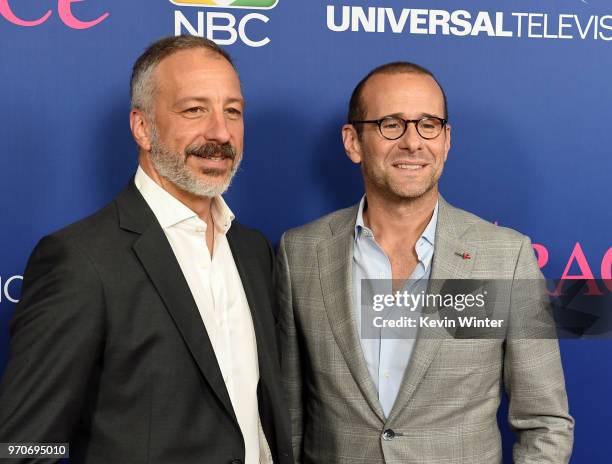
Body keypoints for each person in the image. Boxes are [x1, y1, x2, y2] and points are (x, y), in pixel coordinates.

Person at [0, 35, 291, 464]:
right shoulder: (80, 260)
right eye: (194, 110)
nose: (220, 132)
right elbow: (22, 447)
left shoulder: (252, 250)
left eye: (233, 111)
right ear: (142, 127)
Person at [276, 62, 574, 463]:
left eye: (428, 124)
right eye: (391, 124)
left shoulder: (506, 257)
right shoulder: (301, 253)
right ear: (353, 142)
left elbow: (546, 422)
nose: (413, 142)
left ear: (446, 140)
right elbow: (289, 419)